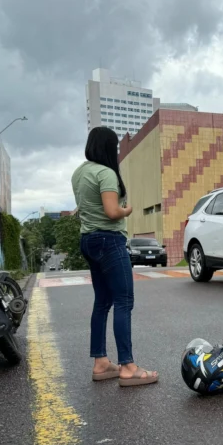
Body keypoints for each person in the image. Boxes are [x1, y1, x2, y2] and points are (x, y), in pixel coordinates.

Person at [72, 127, 157, 387]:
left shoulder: (79, 173)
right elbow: (111, 211)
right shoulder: (106, 173)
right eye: (115, 147)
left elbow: (85, 207)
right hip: (109, 241)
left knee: (103, 302)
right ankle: (128, 366)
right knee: (124, 300)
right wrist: (127, 209)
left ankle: (100, 362)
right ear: (108, 148)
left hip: (88, 240)